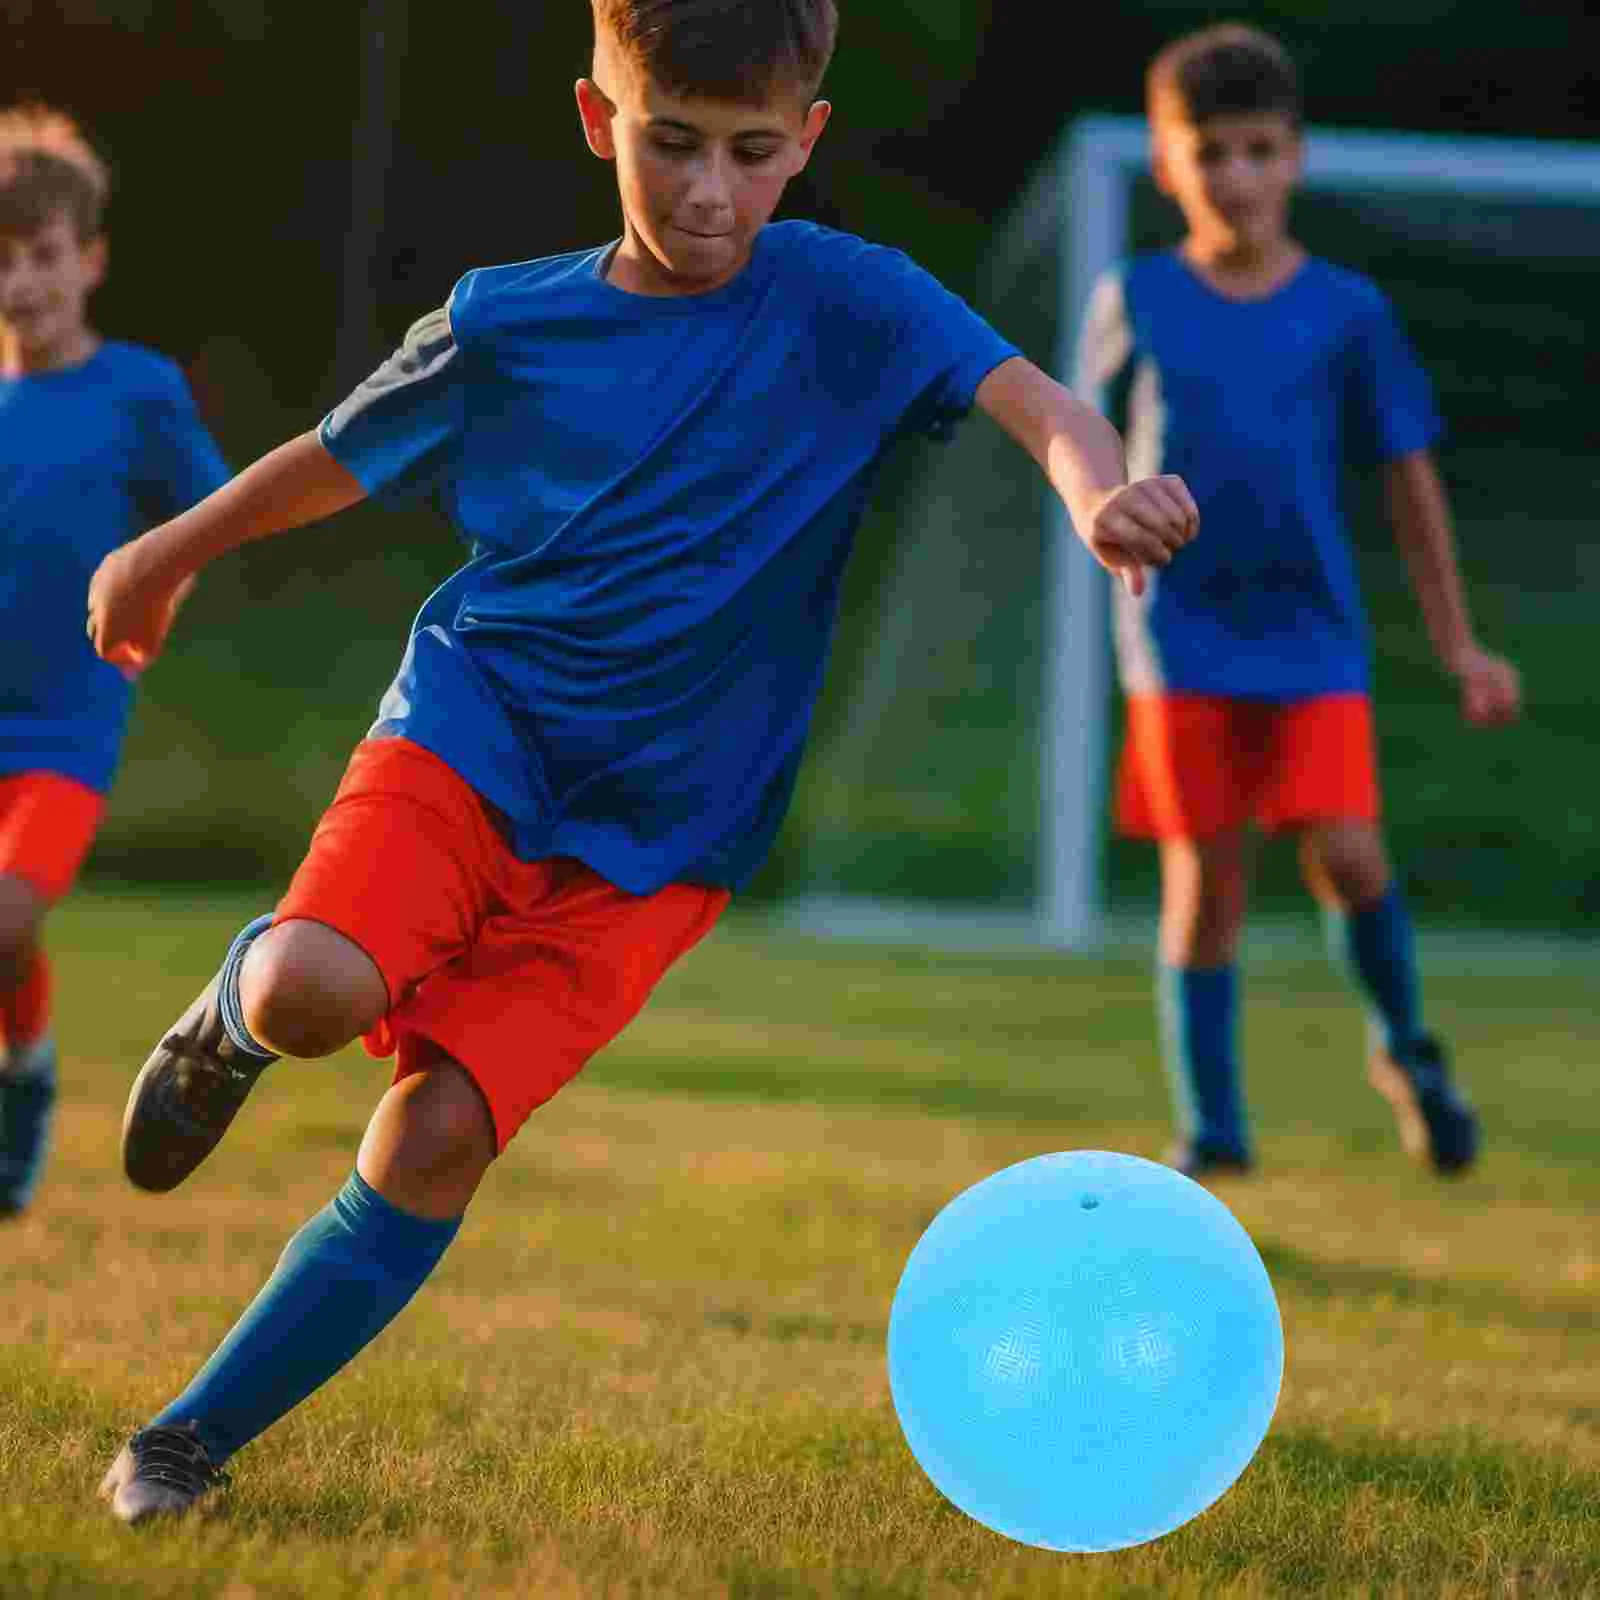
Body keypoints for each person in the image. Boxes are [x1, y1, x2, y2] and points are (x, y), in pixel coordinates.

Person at [86, 0, 1199, 1523]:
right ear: (601, 120)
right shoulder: (508, 320)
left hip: (663, 839)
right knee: (307, 991)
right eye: (671, 144)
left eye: (751, 154)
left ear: (806, 141)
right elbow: (337, 454)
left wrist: (1097, 493)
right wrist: (167, 551)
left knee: (435, 1138)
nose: (708, 193)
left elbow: (1041, 401)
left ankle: (183, 1441)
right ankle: (230, 1010)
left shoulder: (851, 303)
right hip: (474, 732)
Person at [1074, 23, 1521, 1184]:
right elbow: (1080, 439)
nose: (1236, 177)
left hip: (1310, 635)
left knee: (1347, 853)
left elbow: (1409, 479)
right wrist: (1106, 510)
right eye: (1209, 152)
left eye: (1258, 149)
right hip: (1175, 636)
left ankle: (1408, 1052)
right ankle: (1213, 1135)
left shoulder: (1348, 311)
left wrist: (1459, 643)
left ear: (1297, 158)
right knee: (1205, 879)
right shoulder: (1135, 296)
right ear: (1167, 164)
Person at [0, 105, 229, 1219]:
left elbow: (213, 512)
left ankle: (26, 1078)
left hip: (64, 726)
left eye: (41, 258)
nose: (21, 282)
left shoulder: (135, 390)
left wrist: (159, 588)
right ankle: (25, 1056)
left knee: (3, 918)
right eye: (0, 261)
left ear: (87, 260)